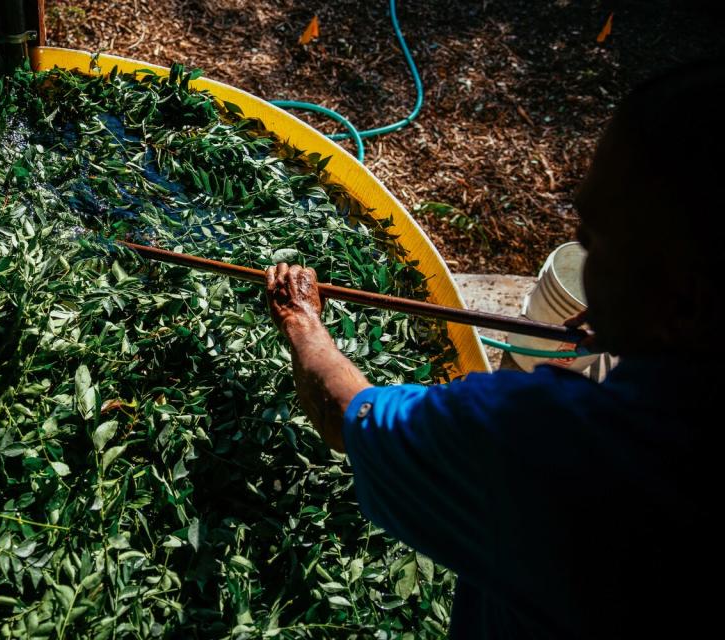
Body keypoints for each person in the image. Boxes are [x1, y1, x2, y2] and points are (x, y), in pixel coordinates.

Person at [265, 60, 723, 639]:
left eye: (600, 238)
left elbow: (349, 416)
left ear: (687, 301)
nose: (580, 249)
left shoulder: (540, 438)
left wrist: (301, 322)